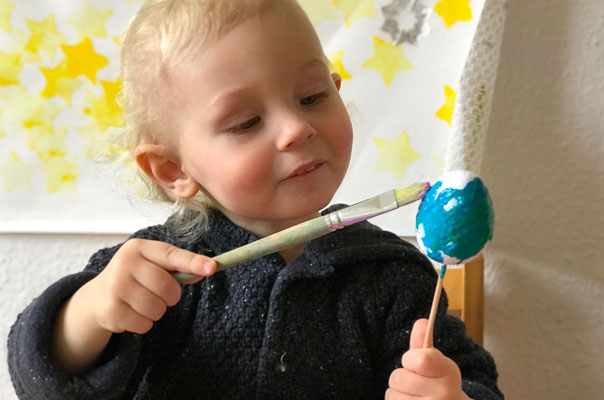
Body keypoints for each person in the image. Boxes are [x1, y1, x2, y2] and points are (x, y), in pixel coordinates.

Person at [7, 0, 503, 399]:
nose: (296, 128)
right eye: (246, 123)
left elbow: (475, 381)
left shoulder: (393, 275)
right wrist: (89, 313)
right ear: (174, 170)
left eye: (311, 97)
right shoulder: (157, 274)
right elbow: (41, 379)